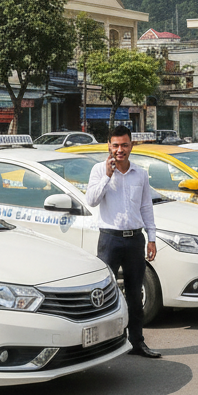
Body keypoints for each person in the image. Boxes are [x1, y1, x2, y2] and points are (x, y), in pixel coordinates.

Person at [85, 125, 161, 358]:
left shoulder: (140, 173)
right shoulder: (99, 170)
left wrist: (152, 237)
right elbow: (91, 200)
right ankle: (102, 345)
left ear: (131, 146)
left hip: (134, 240)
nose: (120, 150)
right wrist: (108, 176)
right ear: (108, 145)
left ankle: (136, 342)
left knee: (134, 294)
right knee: (104, 294)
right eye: (115, 145)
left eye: (125, 145)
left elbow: (146, 206)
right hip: (110, 240)